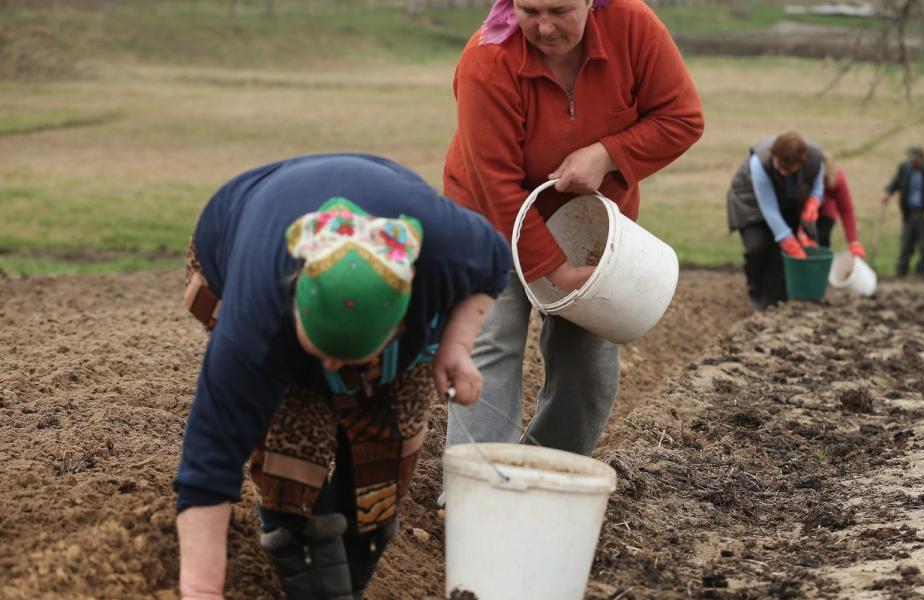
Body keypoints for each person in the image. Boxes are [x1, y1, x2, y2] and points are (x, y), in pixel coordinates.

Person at [173, 154, 512, 599]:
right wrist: (201, 590)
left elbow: (495, 263)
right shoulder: (255, 317)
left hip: (395, 279)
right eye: (322, 350)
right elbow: (208, 464)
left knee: (389, 446)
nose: (334, 367)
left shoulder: (445, 246)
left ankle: (352, 562)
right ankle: (293, 533)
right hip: (234, 234)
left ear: (399, 324)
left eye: (351, 356)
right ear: (295, 302)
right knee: (292, 444)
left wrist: (456, 347)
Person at [441, 0, 704, 455]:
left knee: (588, 365)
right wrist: (553, 269)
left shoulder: (632, 26)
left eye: (560, 10)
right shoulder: (486, 60)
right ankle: (477, 481)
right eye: (529, 10)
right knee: (492, 341)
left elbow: (681, 118)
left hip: (589, 226)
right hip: (486, 215)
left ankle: (546, 469)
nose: (545, 27)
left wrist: (606, 154)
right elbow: (496, 185)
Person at [725, 132, 827, 310]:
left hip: (787, 201)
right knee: (758, 247)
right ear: (774, 155)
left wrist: (813, 203)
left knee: (779, 256)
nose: (781, 171)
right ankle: (755, 293)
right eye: (779, 165)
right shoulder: (760, 162)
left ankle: (774, 299)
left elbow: (818, 187)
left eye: (788, 170)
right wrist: (788, 241)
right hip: (750, 202)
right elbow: (768, 207)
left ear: (800, 163)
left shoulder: (816, 158)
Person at [879, 146, 924, 277]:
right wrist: (888, 192)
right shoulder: (904, 169)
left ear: (923, 158)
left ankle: (922, 272)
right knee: (905, 243)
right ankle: (901, 271)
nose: (912, 163)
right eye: (911, 160)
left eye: (915, 160)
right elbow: (896, 183)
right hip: (909, 213)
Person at [815, 154, 866, 259]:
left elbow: (846, 210)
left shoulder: (837, 179)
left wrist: (853, 242)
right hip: (806, 210)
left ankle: (822, 265)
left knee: (821, 239)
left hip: (826, 211)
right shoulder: (805, 175)